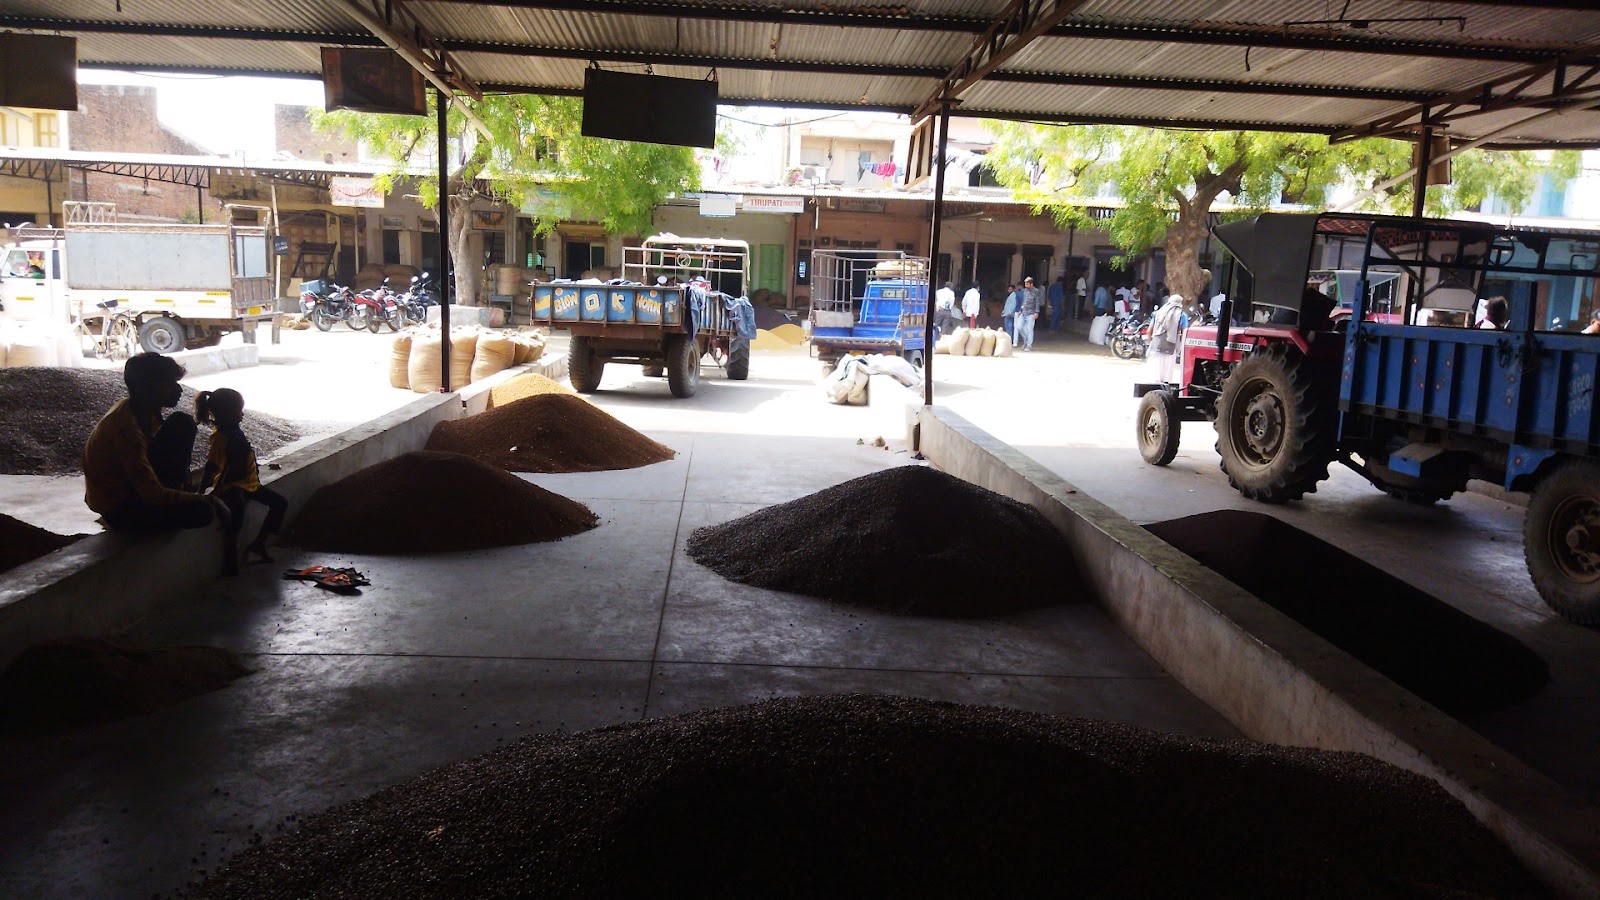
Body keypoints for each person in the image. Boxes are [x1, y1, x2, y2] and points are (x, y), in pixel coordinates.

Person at [83, 352, 224, 533]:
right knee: (204, 512)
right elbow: (151, 493)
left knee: (182, 422)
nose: (178, 390)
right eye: (169, 383)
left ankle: (176, 492)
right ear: (146, 387)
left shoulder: (140, 410)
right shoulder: (126, 428)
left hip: (132, 489)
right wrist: (205, 499)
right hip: (119, 508)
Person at [196, 388, 289, 569]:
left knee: (280, 503)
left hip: (250, 484)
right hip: (232, 487)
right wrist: (200, 492)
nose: (242, 415)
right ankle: (231, 555)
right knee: (235, 516)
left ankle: (259, 543)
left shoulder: (233, 430)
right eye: (238, 411)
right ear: (225, 414)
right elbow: (212, 466)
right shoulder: (220, 437)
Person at [1149, 293, 1188, 384]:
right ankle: (1166, 384)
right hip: (1172, 343)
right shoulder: (1182, 315)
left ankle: (1157, 383)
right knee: (1169, 367)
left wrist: (1153, 341)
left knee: (1158, 366)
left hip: (1157, 342)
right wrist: (1181, 347)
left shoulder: (1158, 313)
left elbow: (1149, 331)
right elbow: (1184, 332)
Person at [1016, 276, 1042, 351]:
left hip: (1031, 313)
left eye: (1027, 284)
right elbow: (1024, 301)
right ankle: (1026, 339)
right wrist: (1021, 309)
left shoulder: (1036, 291)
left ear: (1031, 284)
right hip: (1024, 312)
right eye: (1025, 284)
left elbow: (1037, 302)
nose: (1026, 286)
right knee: (1019, 327)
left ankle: (1028, 345)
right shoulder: (1025, 291)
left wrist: (1037, 312)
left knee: (1029, 329)